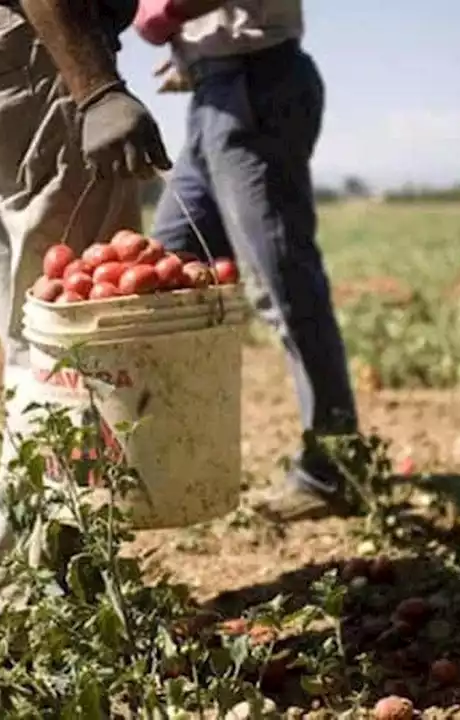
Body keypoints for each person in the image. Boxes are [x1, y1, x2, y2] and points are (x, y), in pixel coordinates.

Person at [0, 0, 172, 649]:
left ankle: (47, 590)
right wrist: (98, 87)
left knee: (39, 354)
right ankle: (20, 606)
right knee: (77, 355)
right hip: (34, 53)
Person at [132, 0, 364, 523]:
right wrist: (191, 49)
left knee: (283, 283)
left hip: (256, 84)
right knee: (165, 268)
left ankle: (334, 469)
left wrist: (163, 13)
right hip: (215, 89)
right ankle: (171, 458)